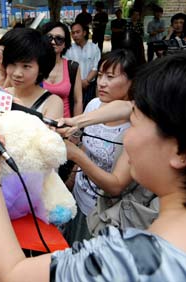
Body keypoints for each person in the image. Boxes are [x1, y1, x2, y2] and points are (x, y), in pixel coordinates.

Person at [0, 52, 186, 282]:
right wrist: (77, 122)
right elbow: (127, 107)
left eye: (134, 124)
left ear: (180, 152)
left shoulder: (123, 261)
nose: (126, 139)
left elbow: (14, 273)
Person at [61, 50, 143, 244]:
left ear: (132, 81)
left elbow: (115, 186)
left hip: (106, 212)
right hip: (80, 198)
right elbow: (84, 147)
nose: (101, 83)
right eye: (99, 75)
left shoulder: (138, 125)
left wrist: (75, 156)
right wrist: (71, 181)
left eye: (110, 77)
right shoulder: (93, 105)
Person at [2, 28, 63, 120]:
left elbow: (46, 134)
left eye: (26, 66)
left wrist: (24, 113)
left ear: (41, 69)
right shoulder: (4, 94)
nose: (17, 73)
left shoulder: (53, 102)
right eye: (12, 64)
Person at [42, 22, 83, 117]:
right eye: (49, 37)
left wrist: (74, 126)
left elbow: (78, 101)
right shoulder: (34, 65)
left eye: (59, 39)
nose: (53, 42)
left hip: (64, 126)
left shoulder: (72, 67)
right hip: (38, 126)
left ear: (65, 44)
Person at [65, 22, 101, 109]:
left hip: (90, 86)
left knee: (90, 109)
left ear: (84, 33)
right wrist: (79, 82)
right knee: (75, 107)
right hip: (73, 86)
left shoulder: (94, 48)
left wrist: (86, 81)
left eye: (78, 32)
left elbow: (96, 67)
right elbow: (67, 67)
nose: (75, 35)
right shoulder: (68, 49)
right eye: (73, 33)